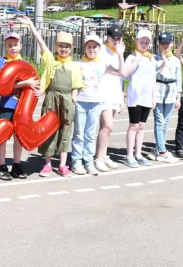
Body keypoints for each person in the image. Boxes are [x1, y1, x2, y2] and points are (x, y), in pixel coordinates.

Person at [22, 17, 85, 177]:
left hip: (67, 100)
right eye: (61, 46)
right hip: (51, 99)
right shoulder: (51, 60)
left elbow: (76, 88)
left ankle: (63, 165)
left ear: (71, 49)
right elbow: (41, 43)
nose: (63, 49)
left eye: (67, 47)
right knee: (49, 131)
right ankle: (47, 164)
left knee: (65, 132)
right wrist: (31, 26)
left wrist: (72, 103)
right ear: (56, 47)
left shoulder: (74, 66)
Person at [71, 34, 123, 175]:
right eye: (89, 46)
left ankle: (88, 161)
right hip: (81, 103)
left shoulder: (103, 63)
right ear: (85, 48)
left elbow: (121, 72)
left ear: (99, 48)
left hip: (96, 104)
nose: (92, 49)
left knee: (90, 134)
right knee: (79, 134)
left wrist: (120, 55)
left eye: (95, 47)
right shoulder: (77, 64)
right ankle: (76, 161)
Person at [0, 30, 42, 180]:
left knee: (18, 136)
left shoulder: (26, 64)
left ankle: (16, 165)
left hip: (22, 107)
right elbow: (3, 84)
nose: (13, 48)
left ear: (21, 46)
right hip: (6, 104)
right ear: (5, 46)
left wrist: (38, 90)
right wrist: (25, 83)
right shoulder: (2, 62)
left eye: (15, 45)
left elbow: (34, 84)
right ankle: (2, 166)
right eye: (10, 45)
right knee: (2, 136)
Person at [122, 29, 163, 167]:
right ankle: (129, 155)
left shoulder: (151, 59)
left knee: (142, 126)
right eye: (141, 42)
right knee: (133, 126)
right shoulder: (131, 57)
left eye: (146, 42)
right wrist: (137, 60)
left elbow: (153, 79)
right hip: (135, 98)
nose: (144, 45)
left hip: (146, 98)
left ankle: (138, 154)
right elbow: (125, 74)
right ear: (136, 41)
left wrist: (153, 97)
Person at [94, 24, 126, 173]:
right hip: (103, 93)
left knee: (106, 128)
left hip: (114, 93)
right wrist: (119, 55)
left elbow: (123, 76)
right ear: (108, 37)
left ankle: (104, 155)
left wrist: (121, 98)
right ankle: (98, 158)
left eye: (119, 38)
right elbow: (119, 72)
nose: (117, 41)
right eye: (114, 38)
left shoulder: (119, 51)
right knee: (108, 125)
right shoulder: (102, 51)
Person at [149, 31, 181, 163]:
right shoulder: (154, 59)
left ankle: (158, 149)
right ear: (158, 44)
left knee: (166, 122)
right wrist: (162, 61)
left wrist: (178, 97)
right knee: (159, 121)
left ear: (172, 44)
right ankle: (163, 151)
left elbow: (179, 78)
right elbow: (153, 75)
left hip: (171, 91)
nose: (165, 46)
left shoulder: (175, 60)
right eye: (162, 43)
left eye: (167, 43)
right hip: (158, 90)